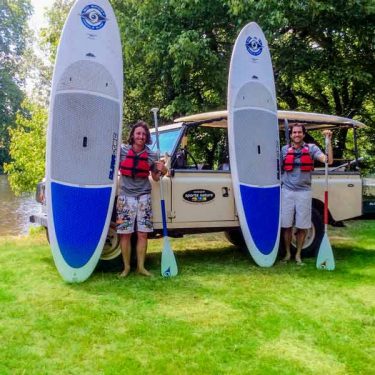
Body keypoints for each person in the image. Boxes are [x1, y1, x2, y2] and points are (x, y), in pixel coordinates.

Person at [116, 121, 167, 277]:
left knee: (143, 234)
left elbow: (156, 178)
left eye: (144, 134)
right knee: (125, 234)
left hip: (144, 196)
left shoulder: (152, 155)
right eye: (138, 133)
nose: (141, 136)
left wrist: (162, 170)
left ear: (147, 137)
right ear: (133, 135)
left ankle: (141, 267)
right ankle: (126, 267)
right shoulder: (122, 151)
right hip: (125, 196)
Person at [281, 123, 333, 265]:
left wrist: (329, 141)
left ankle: (298, 255)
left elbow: (328, 160)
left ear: (303, 134)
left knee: (303, 225)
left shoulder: (311, 149)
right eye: (294, 133)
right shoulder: (284, 150)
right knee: (286, 225)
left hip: (303, 192)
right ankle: (287, 254)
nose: (297, 135)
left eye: (299, 132)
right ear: (291, 135)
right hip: (287, 191)